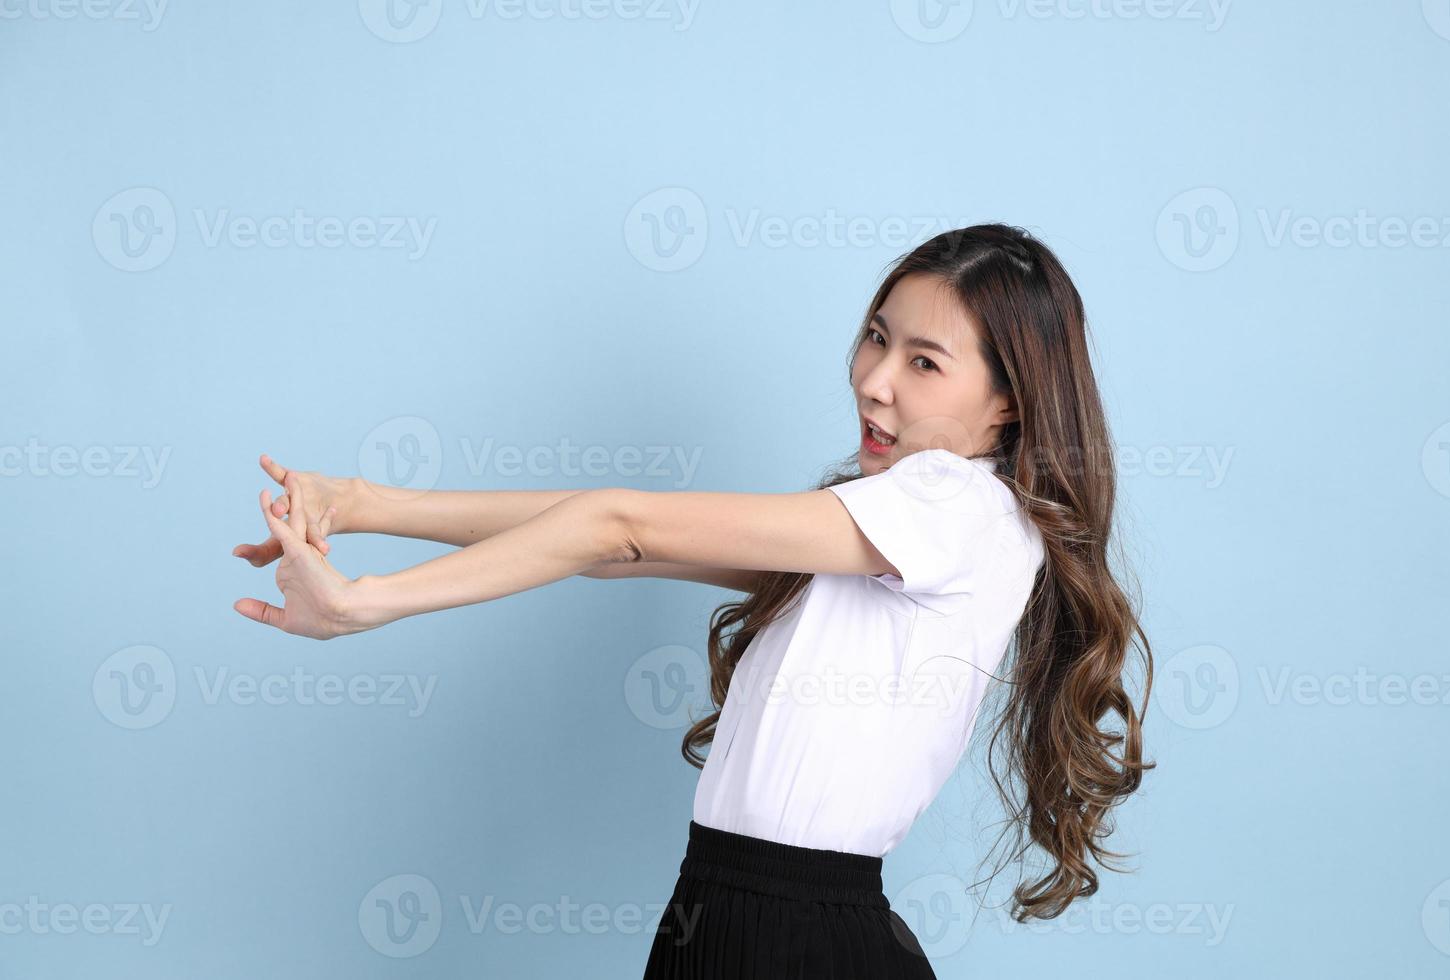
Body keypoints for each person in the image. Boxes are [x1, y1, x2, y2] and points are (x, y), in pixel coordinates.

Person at [232, 223, 1155, 978]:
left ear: (1007, 405)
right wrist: (365, 506)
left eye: (925, 363)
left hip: (788, 933)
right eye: (878, 336)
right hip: (731, 914)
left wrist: (366, 602)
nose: (875, 379)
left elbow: (616, 525)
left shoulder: (950, 505)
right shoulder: (892, 530)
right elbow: (602, 546)